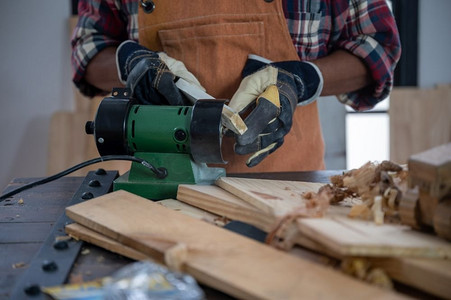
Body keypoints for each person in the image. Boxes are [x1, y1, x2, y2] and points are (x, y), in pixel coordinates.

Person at [71, 0, 401, 173]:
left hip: (287, 186)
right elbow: (87, 53)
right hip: (162, 181)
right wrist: (131, 63)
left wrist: (302, 80)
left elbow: (378, 48)